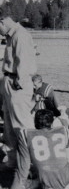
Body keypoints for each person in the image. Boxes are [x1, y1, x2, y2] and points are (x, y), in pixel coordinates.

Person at [0, 10, 37, 168]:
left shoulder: (20, 35)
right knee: (9, 125)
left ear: (2, 22)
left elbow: (24, 60)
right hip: (9, 80)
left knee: (22, 125)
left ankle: (33, 164)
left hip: (17, 82)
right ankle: (14, 160)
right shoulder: (10, 35)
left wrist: (20, 82)